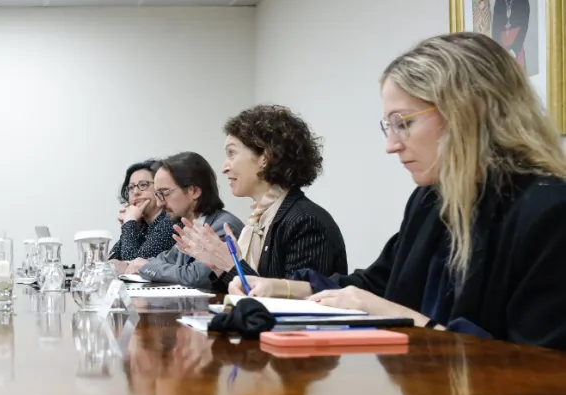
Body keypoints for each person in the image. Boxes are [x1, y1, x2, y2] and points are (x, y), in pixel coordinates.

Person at [239, 32, 566, 349]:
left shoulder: (549, 212)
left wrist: (394, 315)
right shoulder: (431, 200)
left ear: (466, 114)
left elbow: (542, 370)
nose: (391, 146)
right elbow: (377, 283)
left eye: (404, 123)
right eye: (389, 126)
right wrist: (280, 288)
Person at [174, 105, 347, 292]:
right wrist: (217, 266)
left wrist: (230, 266)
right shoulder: (260, 220)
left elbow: (298, 306)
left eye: (232, 153)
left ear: (265, 157)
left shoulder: (306, 221)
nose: (224, 167)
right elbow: (239, 292)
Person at [116, 151, 243, 286]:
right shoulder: (191, 226)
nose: (160, 203)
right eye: (157, 195)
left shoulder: (223, 226)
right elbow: (164, 260)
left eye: (164, 193)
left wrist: (144, 267)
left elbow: (196, 276)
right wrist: (129, 264)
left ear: (194, 191)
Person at [108, 160, 175, 261]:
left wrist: (129, 223)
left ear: (159, 189)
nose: (135, 192)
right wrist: (129, 224)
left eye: (143, 185)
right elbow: (111, 260)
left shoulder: (170, 221)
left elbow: (132, 265)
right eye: (131, 187)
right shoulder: (141, 224)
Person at [492, 0, 530, 73]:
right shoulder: (498, 1)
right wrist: (502, 53)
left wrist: (514, 50)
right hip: (503, 53)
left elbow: (524, 23)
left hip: (517, 48)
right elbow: (495, 31)